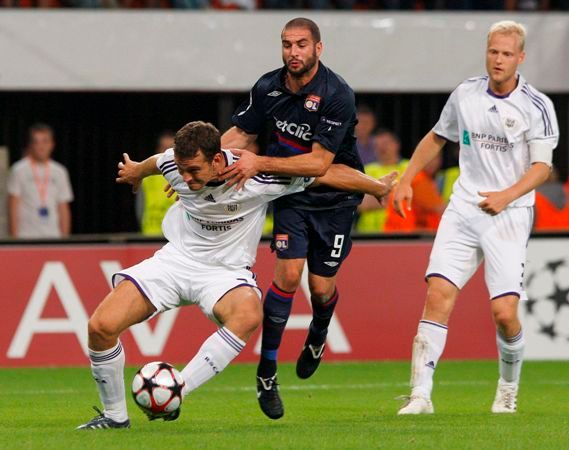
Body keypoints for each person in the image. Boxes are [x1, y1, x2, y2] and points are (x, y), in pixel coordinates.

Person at [77, 121, 394, 430]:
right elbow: (154, 164)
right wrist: (135, 172)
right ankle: (114, 416)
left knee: (248, 315)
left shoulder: (258, 175)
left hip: (225, 273)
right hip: (175, 261)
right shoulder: (175, 164)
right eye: (181, 169)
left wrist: (377, 187)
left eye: (193, 171)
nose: (185, 178)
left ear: (217, 159)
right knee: (100, 326)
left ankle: (177, 392)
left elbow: (325, 172)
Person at [393, 20, 558, 415]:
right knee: (438, 295)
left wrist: (507, 195)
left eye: (506, 54)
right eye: (493, 52)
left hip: (510, 214)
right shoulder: (466, 94)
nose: (498, 60)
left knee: (504, 315)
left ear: (520, 58)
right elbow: (437, 136)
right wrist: (406, 180)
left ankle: (507, 387)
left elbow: (542, 168)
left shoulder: (537, 106)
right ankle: (420, 395)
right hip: (465, 208)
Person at [217, 17, 365, 420]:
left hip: (335, 198)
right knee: (285, 276)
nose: (293, 52)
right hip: (291, 195)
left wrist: (259, 162)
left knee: (320, 288)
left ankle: (319, 329)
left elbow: (319, 163)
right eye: (286, 44)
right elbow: (240, 134)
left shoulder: (337, 94)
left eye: (301, 44)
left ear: (319, 48)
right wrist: (197, 162)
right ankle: (267, 373)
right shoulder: (268, 86)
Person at [7, 123, 73, 239]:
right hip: (26, 237)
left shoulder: (60, 171)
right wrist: (14, 239)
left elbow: (63, 208)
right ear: (31, 145)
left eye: (45, 141)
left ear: (52, 144)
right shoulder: (19, 170)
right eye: (36, 142)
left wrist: (64, 239)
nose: (41, 146)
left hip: (53, 236)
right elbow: (12, 207)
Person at [356, 129, 409, 233]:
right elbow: (359, 204)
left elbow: (413, 200)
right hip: (367, 232)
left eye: (386, 143)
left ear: (397, 144)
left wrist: (374, 196)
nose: (381, 148)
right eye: (377, 145)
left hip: (400, 232)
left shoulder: (409, 167)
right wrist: (393, 196)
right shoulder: (365, 169)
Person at [137, 131, 176, 236]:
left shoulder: (186, 177)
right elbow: (140, 210)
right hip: (151, 235)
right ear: (157, 151)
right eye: (164, 149)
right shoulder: (146, 179)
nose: (167, 155)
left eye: (171, 150)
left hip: (177, 236)